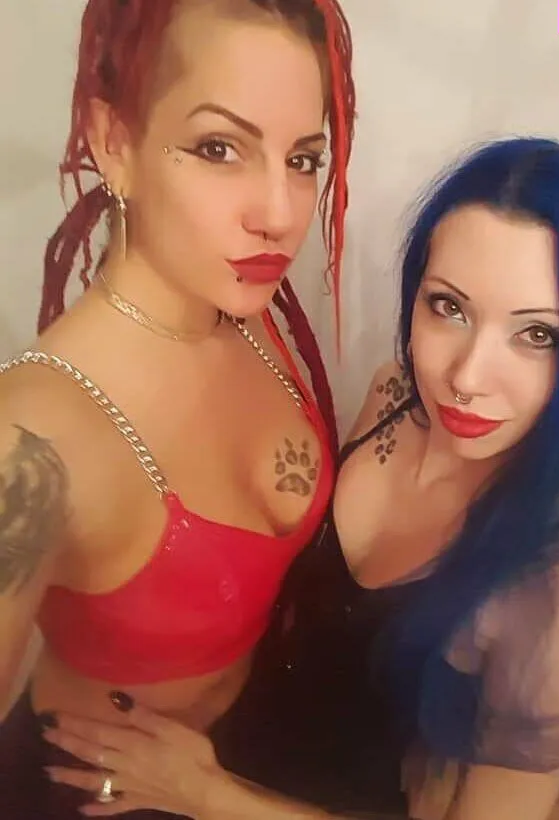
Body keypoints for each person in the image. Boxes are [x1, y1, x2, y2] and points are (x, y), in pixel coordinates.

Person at [41, 136, 559, 820]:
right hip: (220, 742)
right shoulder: (394, 396)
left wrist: (204, 793)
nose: (466, 377)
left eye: (537, 335)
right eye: (448, 307)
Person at [0, 0, 355, 817]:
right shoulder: (32, 438)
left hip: (253, 744)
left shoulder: (248, 309)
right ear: (113, 142)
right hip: (105, 793)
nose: (279, 214)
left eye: (304, 159)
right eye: (219, 148)